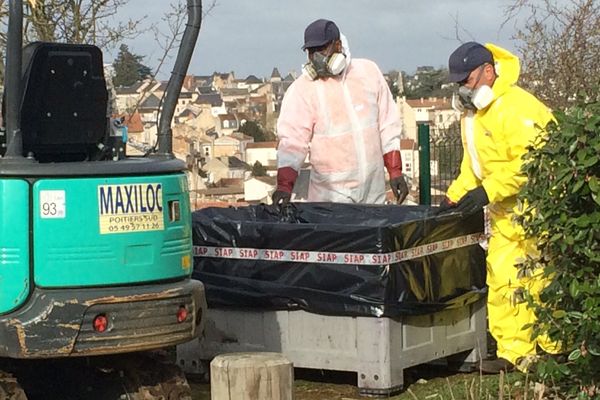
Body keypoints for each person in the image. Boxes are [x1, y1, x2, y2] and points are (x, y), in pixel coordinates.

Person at [439, 42, 561, 373]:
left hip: (538, 208)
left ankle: (555, 348)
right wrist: (454, 196)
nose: (462, 88)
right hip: (506, 211)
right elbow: (474, 165)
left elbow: (529, 163)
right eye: (458, 82)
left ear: (488, 72)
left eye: (466, 80)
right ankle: (513, 352)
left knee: (542, 278)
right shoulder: (475, 115)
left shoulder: (517, 107)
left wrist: (487, 191)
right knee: (504, 277)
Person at [272, 19, 408, 205]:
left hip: (373, 192)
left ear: (338, 45)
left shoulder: (368, 73)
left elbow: (387, 124)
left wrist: (395, 171)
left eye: (321, 49)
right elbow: (292, 142)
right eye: (311, 52)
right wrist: (284, 186)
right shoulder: (302, 90)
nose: (316, 56)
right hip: (330, 198)